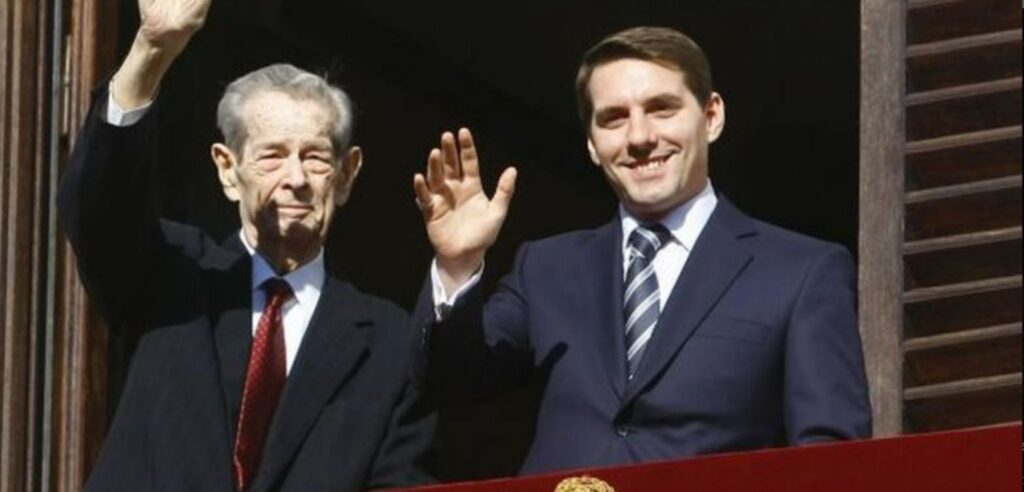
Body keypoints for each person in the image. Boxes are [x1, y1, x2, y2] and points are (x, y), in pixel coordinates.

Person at [410, 26, 871, 475]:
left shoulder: (802, 271)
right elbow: (450, 383)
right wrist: (458, 265)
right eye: (613, 118)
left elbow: (830, 463)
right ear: (592, 144)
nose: (639, 137)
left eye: (661, 109)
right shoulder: (547, 267)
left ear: (711, 117)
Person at [58, 1, 433, 490]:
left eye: (316, 158)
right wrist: (151, 51)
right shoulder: (168, 272)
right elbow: (99, 206)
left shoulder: (389, 343)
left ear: (346, 175)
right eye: (272, 156)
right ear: (227, 170)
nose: (296, 178)